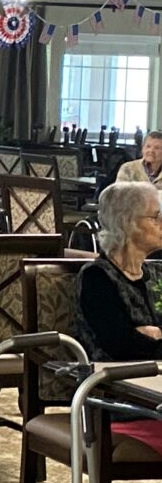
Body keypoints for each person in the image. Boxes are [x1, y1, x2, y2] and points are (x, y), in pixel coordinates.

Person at [76, 182, 162, 456]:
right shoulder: (96, 278)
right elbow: (120, 345)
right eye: (156, 216)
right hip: (120, 404)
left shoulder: (157, 275)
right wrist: (145, 337)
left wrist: (150, 335)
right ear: (127, 223)